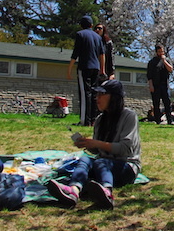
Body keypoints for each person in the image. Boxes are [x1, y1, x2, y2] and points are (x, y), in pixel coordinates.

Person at [47, 80, 141, 209]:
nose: (97, 98)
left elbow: (125, 149)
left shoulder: (129, 116)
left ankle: (107, 192)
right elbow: (99, 151)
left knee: (100, 162)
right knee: (85, 159)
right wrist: (89, 145)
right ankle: (73, 191)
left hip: (126, 167)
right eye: (97, 95)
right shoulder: (100, 120)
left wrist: (97, 143)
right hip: (102, 164)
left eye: (102, 94)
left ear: (114, 97)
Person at [67, 15, 105, 126]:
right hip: (96, 68)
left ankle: (84, 121)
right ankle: (93, 120)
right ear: (91, 25)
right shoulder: (98, 37)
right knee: (93, 94)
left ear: (81, 25)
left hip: (84, 67)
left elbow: (75, 54)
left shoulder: (80, 34)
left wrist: (69, 69)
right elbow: (102, 54)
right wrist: (102, 69)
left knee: (84, 94)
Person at [146, 45, 174, 125]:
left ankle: (170, 120)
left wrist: (164, 61)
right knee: (156, 103)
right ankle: (157, 120)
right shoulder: (152, 62)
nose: (161, 53)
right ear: (156, 52)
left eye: (162, 51)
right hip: (155, 85)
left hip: (165, 84)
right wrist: (150, 85)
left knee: (167, 103)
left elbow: (170, 69)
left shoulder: (167, 60)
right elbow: (149, 75)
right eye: (159, 52)